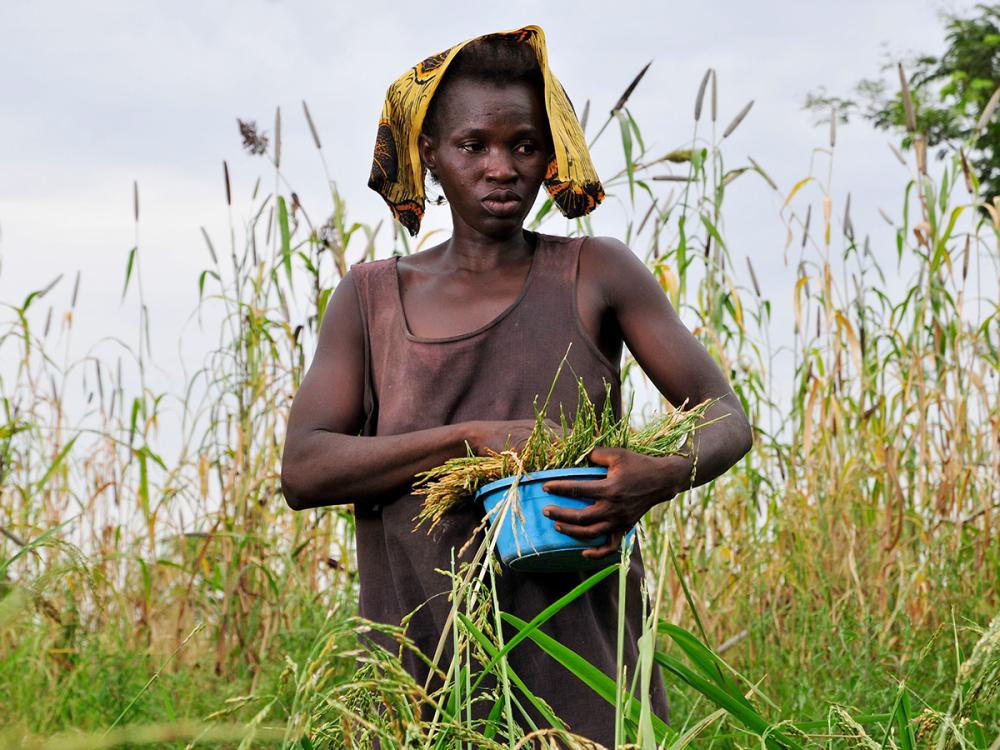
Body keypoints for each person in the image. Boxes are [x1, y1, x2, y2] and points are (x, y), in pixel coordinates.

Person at [280, 25, 752, 745]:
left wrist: (660, 473)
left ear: (551, 155)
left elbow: (725, 414)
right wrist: (469, 440)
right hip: (421, 685)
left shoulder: (598, 274)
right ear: (430, 155)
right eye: (474, 146)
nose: (502, 167)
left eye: (525, 146)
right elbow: (306, 467)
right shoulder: (369, 299)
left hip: (589, 681)